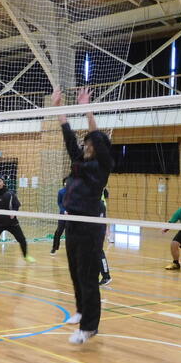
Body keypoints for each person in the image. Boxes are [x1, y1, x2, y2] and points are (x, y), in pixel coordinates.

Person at [52, 86, 113, 344]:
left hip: (90, 224)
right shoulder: (80, 161)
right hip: (73, 221)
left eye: (90, 144)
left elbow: (97, 136)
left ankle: (89, 327)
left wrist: (87, 109)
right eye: (85, 143)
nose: (86, 145)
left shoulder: (103, 165)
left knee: (88, 276)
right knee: (75, 271)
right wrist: (59, 108)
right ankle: (80, 310)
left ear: (98, 147)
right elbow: (68, 136)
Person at [0, 176, 35, 266]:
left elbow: (16, 204)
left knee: (22, 239)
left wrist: (14, 212)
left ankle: (26, 256)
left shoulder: (10, 193)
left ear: (3, 183)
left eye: (0, 181)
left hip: (11, 223)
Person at [98, 188, 112, 285]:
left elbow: (100, 222)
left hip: (98, 231)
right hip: (90, 231)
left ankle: (106, 276)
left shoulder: (100, 205)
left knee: (98, 251)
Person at [51, 178, 67, 255]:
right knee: (58, 231)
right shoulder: (61, 192)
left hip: (72, 216)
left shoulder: (74, 192)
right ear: (63, 183)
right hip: (62, 215)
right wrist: (63, 211)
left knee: (71, 233)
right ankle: (54, 248)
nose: (67, 183)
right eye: (65, 182)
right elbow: (59, 203)